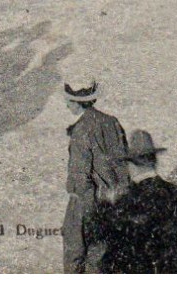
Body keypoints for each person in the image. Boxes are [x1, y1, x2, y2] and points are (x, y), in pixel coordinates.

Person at [97, 129, 177, 273]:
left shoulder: (128, 200)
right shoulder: (176, 192)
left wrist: (105, 205)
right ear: (154, 160)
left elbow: (110, 240)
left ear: (131, 165)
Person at [62, 73, 129, 274]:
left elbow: (80, 178)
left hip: (90, 200)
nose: (66, 104)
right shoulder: (112, 122)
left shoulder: (81, 130)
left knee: (75, 250)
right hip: (118, 198)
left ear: (77, 102)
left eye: (68, 100)